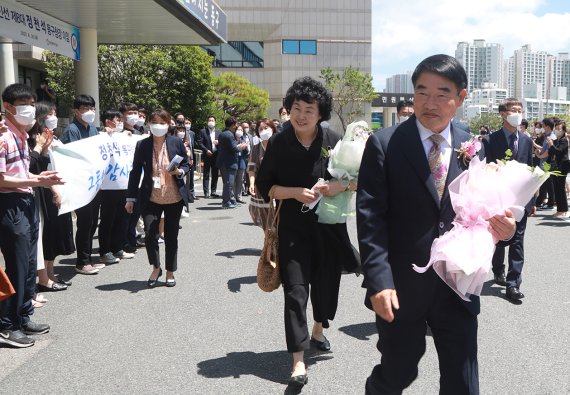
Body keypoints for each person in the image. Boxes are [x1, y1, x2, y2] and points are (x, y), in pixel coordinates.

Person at [356, 55, 516, 394]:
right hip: (401, 287)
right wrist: (379, 281)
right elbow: (370, 220)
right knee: (398, 371)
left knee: (463, 380)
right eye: (421, 92)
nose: (430, 103)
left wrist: (504, 228)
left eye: (442, 93)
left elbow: (484, 208)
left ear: (461, 97)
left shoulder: (474, 145)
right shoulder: (385, 144)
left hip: (458, 283)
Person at [256, 76, 360, 388]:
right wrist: (294, 192)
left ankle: (318, 328)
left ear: (320, 113)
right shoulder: (280, 142)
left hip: (329, 227)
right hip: (292, 230)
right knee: (296, 291)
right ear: (288, 109)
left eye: (309, 110)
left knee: (326, 288)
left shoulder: (333, 140)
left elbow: (357, 179)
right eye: (297, 108)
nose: (301, 115)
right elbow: (265, 187)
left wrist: (338, 186)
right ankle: (298, 360)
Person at [0, 83, 64, 348]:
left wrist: (39, 178)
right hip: (10, 204)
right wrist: (37, 182)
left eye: (31, 103)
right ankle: (6, 325)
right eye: (24, 104)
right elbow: (2, 178)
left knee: (27, 264)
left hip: (25, 201)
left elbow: (19, 174)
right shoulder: (4, 138)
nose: (30, 110)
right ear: (8, 107)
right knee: (16, 265)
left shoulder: (20, 136)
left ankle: (23, 315)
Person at [125, 109, 189, 288]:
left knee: (171, 236)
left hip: (173, 197)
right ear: (149, 125)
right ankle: (156, 267)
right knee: (150, 235)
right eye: (154, 122)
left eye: (162, 123)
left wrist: (180, 171)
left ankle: (170, 271)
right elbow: (135, 172)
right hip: (150, 197)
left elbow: (185, 164)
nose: (158, 126)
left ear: (168, 124)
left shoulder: (176, 142)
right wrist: (130, 198)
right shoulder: (143, 145)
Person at [484, 98, 535, 302]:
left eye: (520, 110)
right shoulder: (489, 140)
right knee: (498, 239)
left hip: (521, 200)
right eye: (514, 110)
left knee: (518, 241)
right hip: (497, 200)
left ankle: (514, 284)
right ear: (503, 114)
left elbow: (531, 170)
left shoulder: (526, 140)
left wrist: (533, 200)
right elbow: (484, 170)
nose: (518, 113)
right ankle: (498, 269)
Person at [28, 102, 74, 292]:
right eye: (49, 114)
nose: (53, 117)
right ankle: (43, 278)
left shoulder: (48, 136)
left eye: (55, 113)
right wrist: (41, 148)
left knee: (53, 235)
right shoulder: (32, 138)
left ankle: (49, 273)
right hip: (39, 192)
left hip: (51, 188)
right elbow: (32, 167)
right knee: (43, 237)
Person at [61, 94, 102, 275]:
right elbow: (74, 157)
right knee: (85, 222)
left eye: (92, 108)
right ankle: (82, 261)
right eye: (85, 109)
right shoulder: (72, 130)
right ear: (76, 111)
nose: (89, 112)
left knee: (92, 221)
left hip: (92, 183)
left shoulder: (92, 128)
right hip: (80, 184)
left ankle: (88, 259)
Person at [97, 110, 135, 265]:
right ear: (107, 121)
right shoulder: (100, 136)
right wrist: (104, 134)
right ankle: (105, 250)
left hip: (123, 183)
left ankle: (117, 247)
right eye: (117, 119)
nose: (120, 122)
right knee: (108, 219)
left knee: (122, 216)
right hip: (108, 186)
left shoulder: (122, 137)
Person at [247, 119, 277, 228]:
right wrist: (251, 184)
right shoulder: (256, 148)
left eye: (266, 128)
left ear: (272, 129)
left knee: (279, 216)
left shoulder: (280, 145)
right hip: (262, 188)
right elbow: (252, 168)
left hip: (279, 187)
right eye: (260, 129)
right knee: (265, 217)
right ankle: (270, 240)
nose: (263, 131)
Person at [216, 117, 248, 209]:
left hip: (225, 162)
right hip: (228, 163)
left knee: (229, 183)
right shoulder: (229, 135)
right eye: (235, 124)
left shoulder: (223, 133)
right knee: (229, 183)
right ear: (232, 125)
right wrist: (242, 146)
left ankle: (231, 200)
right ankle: (226, 202)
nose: (236, 126)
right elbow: (234, 148)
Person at [546, 121, 569, 217]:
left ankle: (563, 210)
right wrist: (550, 146)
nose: (557, 131)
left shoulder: (564, 140)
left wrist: (551, 145)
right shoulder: (556, 140)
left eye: (559, 129)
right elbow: (552, 153)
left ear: (563, 130)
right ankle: (559, 209)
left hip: (562, 165)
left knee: (561, 188)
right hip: (555, 166)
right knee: (556, 188)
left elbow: (559, 151)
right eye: (556, 128)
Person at [197, 115, 220, 198]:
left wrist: (219, 142)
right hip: (207, 155)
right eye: (209, 120)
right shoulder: (203, 131)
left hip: (216, 155)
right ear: (207, 122)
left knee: (215, 174)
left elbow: (222, 143)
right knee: (206, 174)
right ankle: (206, 192)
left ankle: (213, 191)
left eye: (212, 120)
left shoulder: (219, 132)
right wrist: (206, 150)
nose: (211, 122)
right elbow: (200, 142)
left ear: (215, 122)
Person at [234, 123, 250, 203]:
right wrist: (239, 146)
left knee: (240, 180)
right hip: (233, 161)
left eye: (241, 130)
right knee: (233, 180)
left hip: (241, 161)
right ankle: (233, 197)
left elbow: (247, 152)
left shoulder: (244, 139)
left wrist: (245, 147)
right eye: (238, 129)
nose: (239, 131)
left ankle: (239, 197)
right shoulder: (232, 139)